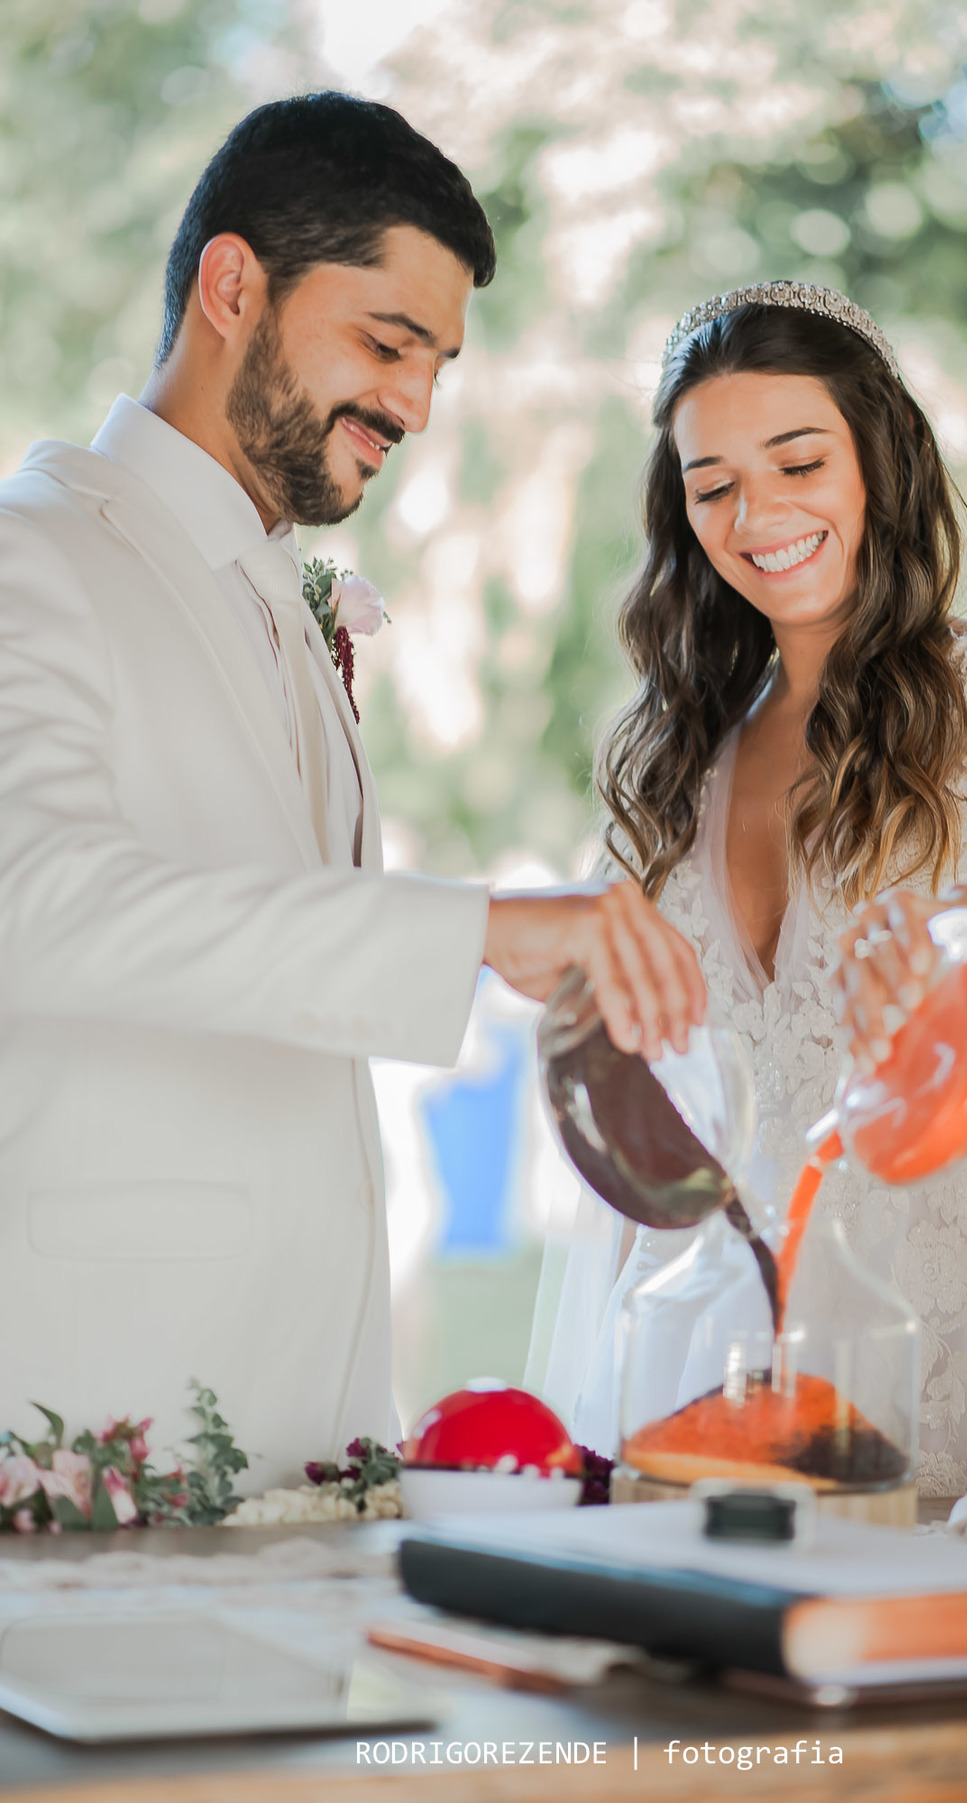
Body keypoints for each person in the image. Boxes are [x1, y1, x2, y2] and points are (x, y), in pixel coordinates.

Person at [0, 92, 704, 1491]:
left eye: (438, 364)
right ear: (231, 285)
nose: (417, 404)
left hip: (303, 1427)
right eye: (388, 342)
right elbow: (36, 904)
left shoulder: (293, 599)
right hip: (95, 1415)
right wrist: (478, 931)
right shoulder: (32, 559)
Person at [533, 281, 967, 1494]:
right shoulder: (674, 756)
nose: (759, 512)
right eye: (714, 483)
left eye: (799, 461)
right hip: (722, 1320)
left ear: (878, 462)